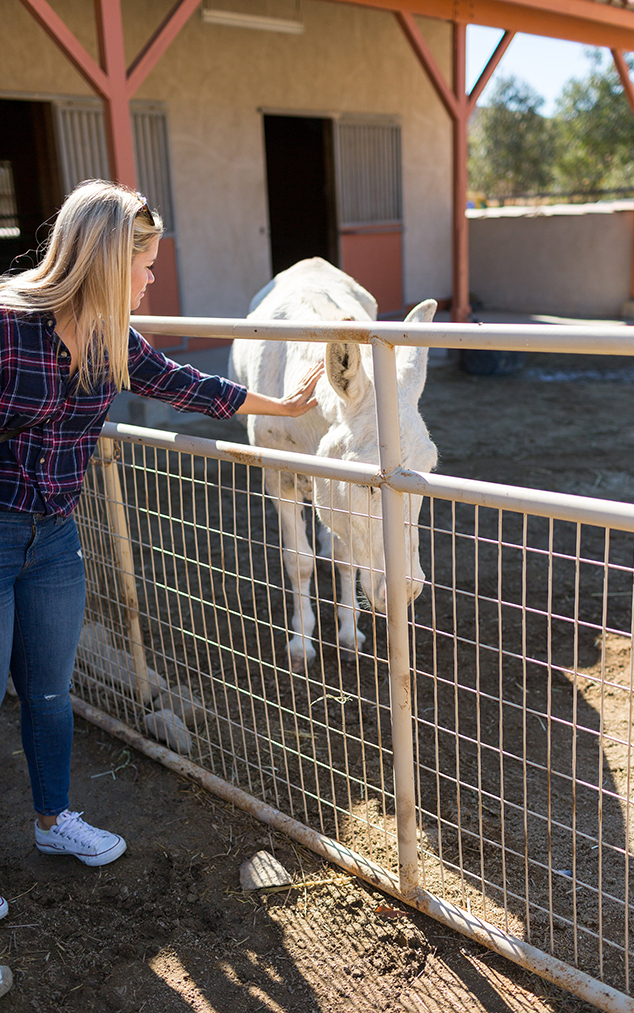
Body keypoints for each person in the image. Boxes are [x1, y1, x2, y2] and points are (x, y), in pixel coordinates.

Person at [0, 180, 322, 983]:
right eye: (144, 264)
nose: (151, 280)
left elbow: (191, 385)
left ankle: (53, 819)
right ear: (108, 259)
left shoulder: (114, 340)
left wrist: (278, 402)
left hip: (55, 541)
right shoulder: (8, 332)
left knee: (47, 691)